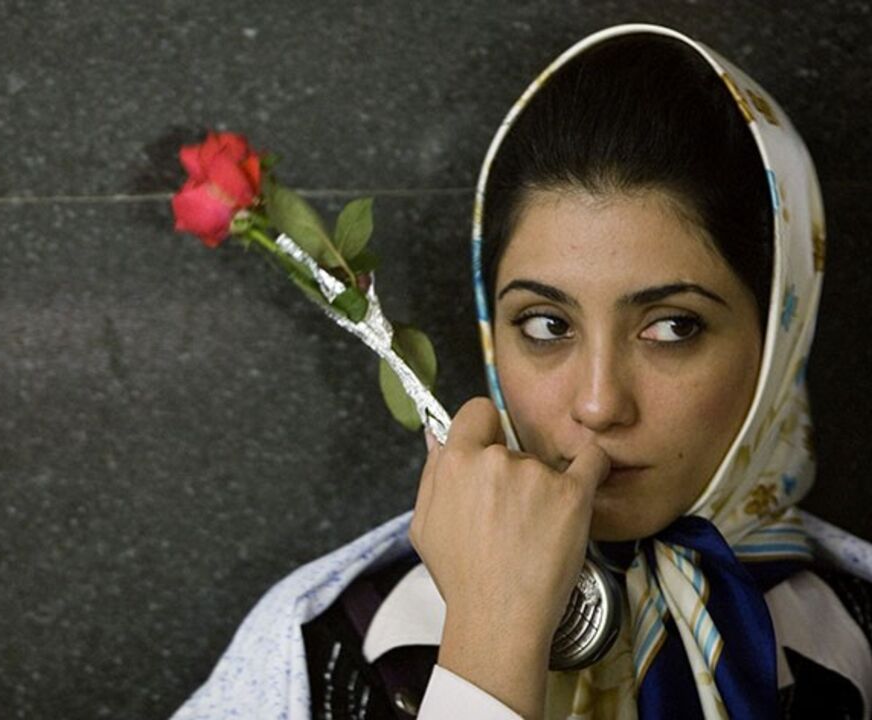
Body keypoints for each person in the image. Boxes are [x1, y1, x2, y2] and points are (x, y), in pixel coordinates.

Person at [171, 24, 872, 720]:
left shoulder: (855, 643)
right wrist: (488, 641)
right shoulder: (324, 651)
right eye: (546, 326)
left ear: (782, 329)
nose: (599, 404)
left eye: (673, 327)